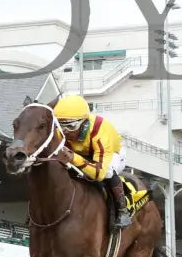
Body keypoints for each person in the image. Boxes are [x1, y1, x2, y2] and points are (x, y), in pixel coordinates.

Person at [52, 94, 132, 228]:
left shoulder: (100, 131)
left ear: (84, 122)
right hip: (82, 153)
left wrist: (74, 158)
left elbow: (99, 173)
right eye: (60, 126)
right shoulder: (60, 132)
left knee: (108, 173)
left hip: (111, 154)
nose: (65, 132)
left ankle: (122, 211)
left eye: (70, 127)